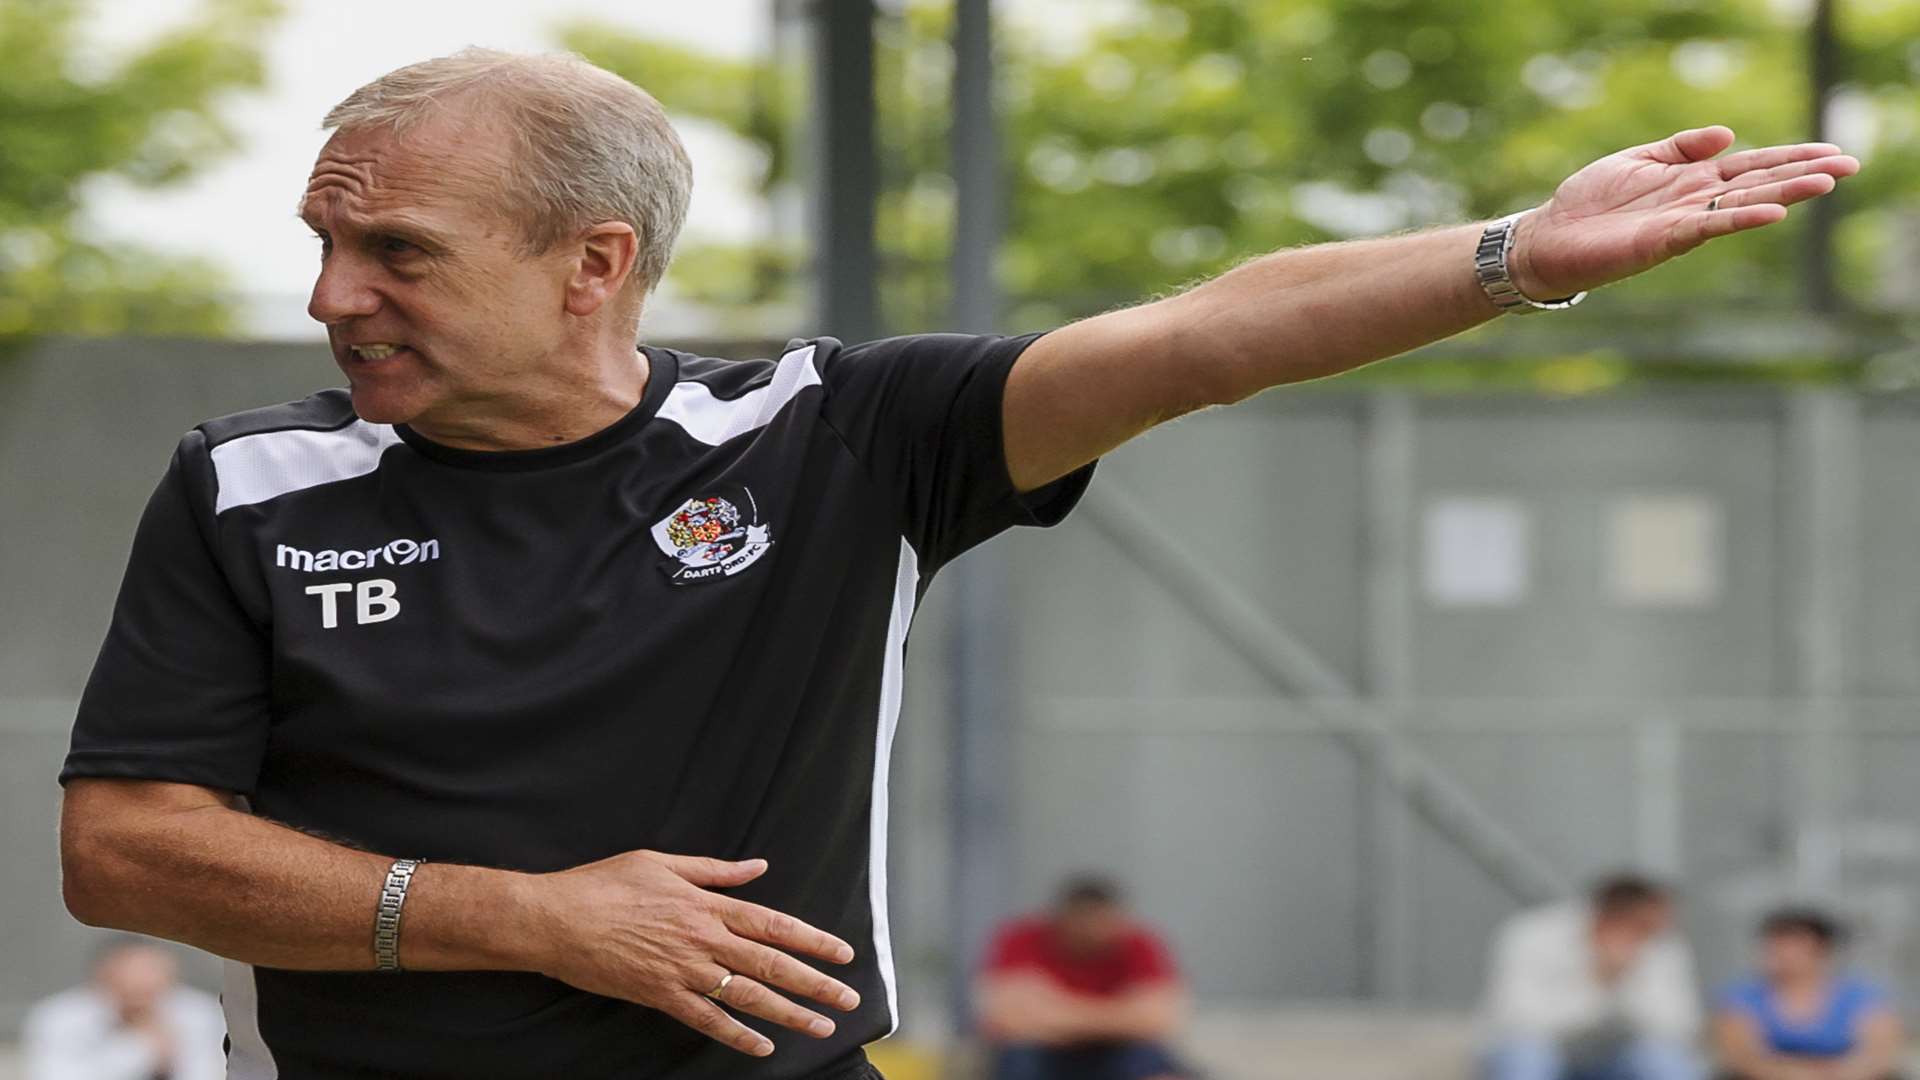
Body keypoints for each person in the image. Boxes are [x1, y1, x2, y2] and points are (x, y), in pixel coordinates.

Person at [52, 43, 1856, 1078]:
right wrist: (524, 917)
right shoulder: (251, 487)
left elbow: (1210, 331)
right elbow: (125, 850)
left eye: (400, 253)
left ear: (593, 264)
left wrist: (1514, 258)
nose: (330, 296)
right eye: (322, 241)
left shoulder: (831, 437)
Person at [1480, 875, 1704, 1080]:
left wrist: (1623, 984)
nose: (1655, 933)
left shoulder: (1663, 944)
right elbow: (1518, 1018)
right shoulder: (1531, 935)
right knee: (1527, 1059)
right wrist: (1597, 985)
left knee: (1665, 1062)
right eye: (1645, 925)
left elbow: (1680, 1025)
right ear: (1610, 916)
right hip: (1539, 1051)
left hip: (1615, 1058)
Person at [975, 876, 1192, 1080]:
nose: (1091, 932)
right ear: (1061, 919)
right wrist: (1121, 1013)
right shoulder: (1021, 938)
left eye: (1100, 923)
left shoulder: (1139, 943)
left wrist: (1054, 1010)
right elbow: (1007, 1017)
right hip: (1043, 1053)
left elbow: (1159, 1019)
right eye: (1083, 924)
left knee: (1152, 1062)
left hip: (1116, 1052)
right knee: (1017, 1056)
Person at [1711, 907, 1904, 1080]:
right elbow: (1742, 1055)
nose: (1782, 955)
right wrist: (1795, 1074)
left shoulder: (1861, 996)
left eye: (1793, 946)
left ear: (1821, 950)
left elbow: (1879, 1052)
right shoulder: (1744, 997)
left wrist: (1839, 1074)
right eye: (1775, 946)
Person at [22, 936, 226, 1080]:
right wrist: (142, 1049)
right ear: (102, 979)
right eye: (131, 987)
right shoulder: (60, 1017)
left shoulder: (200, 1013)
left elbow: (209, 1072)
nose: (141, 996)